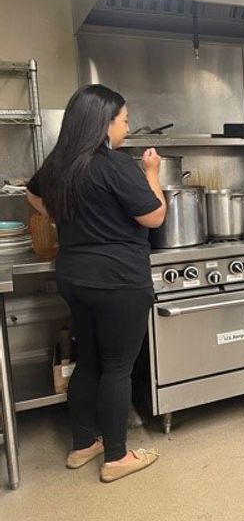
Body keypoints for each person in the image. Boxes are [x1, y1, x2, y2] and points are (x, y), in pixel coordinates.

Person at [26, 85, 165, 482]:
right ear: (104, 124)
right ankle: (117, 457)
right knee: (119, 367)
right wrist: (152, 174)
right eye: (124, 120)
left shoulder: (58, 165)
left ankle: (83, 444)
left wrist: (62, 214)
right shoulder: (116, 165)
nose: (127, 127)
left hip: (74, 276)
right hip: (118, 279)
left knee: (88, 359)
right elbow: (155, 217)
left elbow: (32, 194)